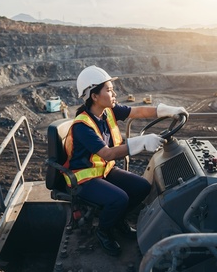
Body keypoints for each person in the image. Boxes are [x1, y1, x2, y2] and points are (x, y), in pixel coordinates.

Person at [63, 65, 188, 256]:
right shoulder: (83, 126)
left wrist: (167, 110)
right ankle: (103, 231)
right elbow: (107, 154)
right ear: (94, 96)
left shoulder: (109, 111)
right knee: (119, 199)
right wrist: (141, 142)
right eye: (109, 90)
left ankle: (117, 220)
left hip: (103, 171)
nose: (114, 94)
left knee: (142, 187)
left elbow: (137, 112)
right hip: (84, 178)